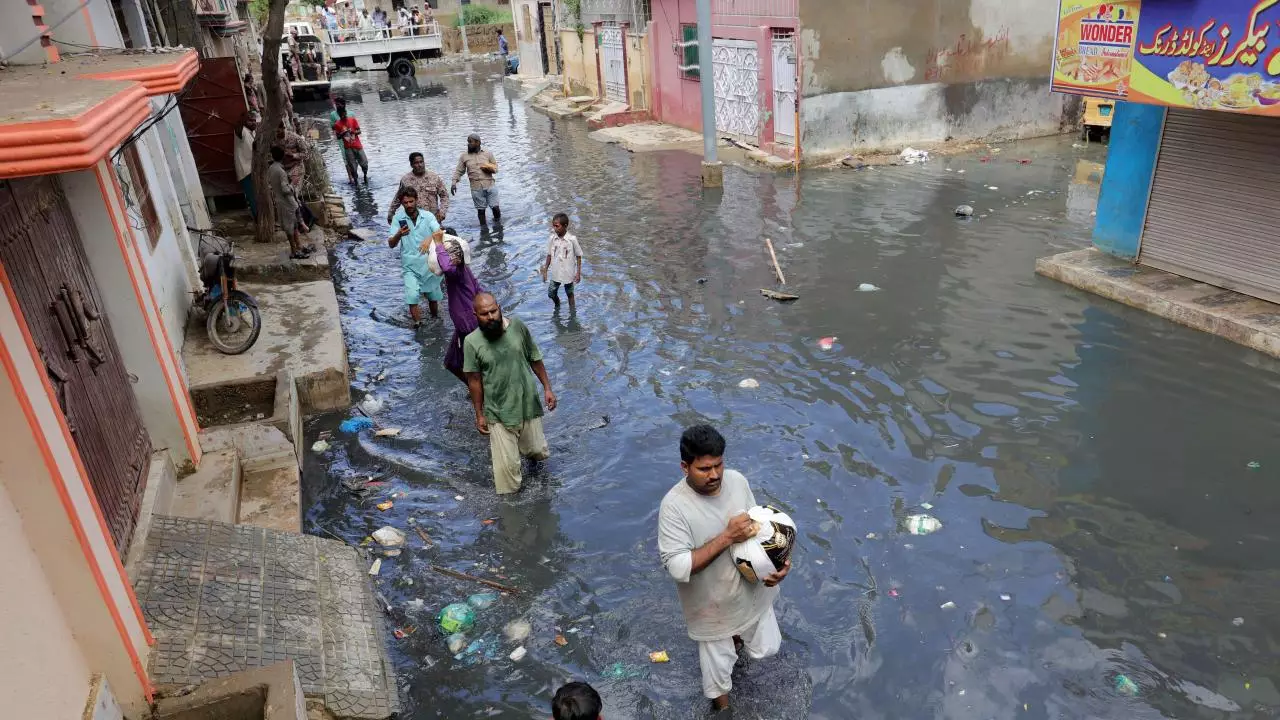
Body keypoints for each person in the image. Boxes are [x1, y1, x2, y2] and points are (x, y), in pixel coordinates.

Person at [657, 425, 790, 711]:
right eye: (704, 469)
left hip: (750, 591)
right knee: (718, 682)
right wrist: (727, 537)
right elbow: (677, 566)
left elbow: (761, 529)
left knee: (766, 652)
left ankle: (738, 640)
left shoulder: (738, 482)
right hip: (711, 607)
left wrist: (780, 564)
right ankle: (723, 712)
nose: (715, 475)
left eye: (718, 465)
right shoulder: (674, 507)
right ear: (684, 467)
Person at [463, 293, 555, 495]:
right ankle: (512, 517)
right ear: (475, 315)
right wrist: (479, 414)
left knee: (538, 451)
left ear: (499, 308)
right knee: (508, 479)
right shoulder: (471, 342)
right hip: (497, 410)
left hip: (527, 401)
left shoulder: (518, 327)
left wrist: (547, 388)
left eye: (493, 311)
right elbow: (474, 381)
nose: (490, 317)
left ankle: (524, 456)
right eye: (484, 314)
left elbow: (535, 357)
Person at [427, 228, 484, 383]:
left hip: (468, 324)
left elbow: (446, 267)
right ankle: (475, 389)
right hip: (464, 325)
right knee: (451, 363)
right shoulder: (464, 270)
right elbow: (479, 289)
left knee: (473, 367)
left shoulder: (456, 271)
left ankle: (480, 392)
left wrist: (438, 244)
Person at [388, 187, 444, 324]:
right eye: (405, 203)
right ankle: (417, 324)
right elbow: (391, 244)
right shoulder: (398, 218)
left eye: (411, 202)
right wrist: (399, 234)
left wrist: (429, 238)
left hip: (429, 264)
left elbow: (440, 232)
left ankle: (435, 319)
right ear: (402, 203)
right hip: (410, 265)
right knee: (412, 296)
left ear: (416, 200)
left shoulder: (428, 216)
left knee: (433, 296)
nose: (409, 205)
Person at [267, 146, 311, 259]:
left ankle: (298, 246)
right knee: (290, 227)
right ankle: (294, 251)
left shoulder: (272, 168)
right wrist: (293, 183)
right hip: (286, 203)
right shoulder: (281, 171)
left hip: (282, 202)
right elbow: (285, 190)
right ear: (283, 158)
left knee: (293, 225)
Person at [451, 134, 502, 231]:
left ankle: (498, 226)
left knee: (495, 207)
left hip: (490, 185)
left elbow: (496, 168)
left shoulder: (488, 154)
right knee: (481, 211)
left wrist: (489, 169)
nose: (468, 144)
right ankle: (484, 230)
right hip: (476, 187)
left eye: (471, 142)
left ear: (478, 143)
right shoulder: (464, 156)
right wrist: (454, 183)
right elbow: (459, 171)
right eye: (468, 142)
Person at [387, 152, 449, 223]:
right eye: (416, 163)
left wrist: (442, 212)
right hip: (414, 220)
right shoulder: (406, 180)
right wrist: (391, 214)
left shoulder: (434, 177)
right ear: (411, 165)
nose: (420, 165)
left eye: (421, 162)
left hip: (433, 218)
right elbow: (398, 198)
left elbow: (444, 196)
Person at [540, 213, 583, 311]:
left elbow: (579, 256)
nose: (555, 228)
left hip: (568, 272)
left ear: (565, 226)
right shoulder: (552, 238)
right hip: (555, 272)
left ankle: (572, 312)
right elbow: (549, 254)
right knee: (551, 293)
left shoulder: (572, 240)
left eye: (557, 226)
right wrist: (545, 269)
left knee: (570, 293)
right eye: (553, 226)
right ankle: (557, 304)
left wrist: (578, 273)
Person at [333, 104, 369, 183]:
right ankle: (355, 180)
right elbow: (338, 137)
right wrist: (343, 133)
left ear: (345, 112)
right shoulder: (337, 124)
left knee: (364, 163)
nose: (343, 115)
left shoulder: (352, 120)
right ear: (339, 114)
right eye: (341, 114)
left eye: (344, 113)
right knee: (352, 167)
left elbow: (359, 131)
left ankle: (365, 176)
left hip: (357, 146)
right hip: (348, 148)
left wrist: (353, 132)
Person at [234, 112, 258, 218]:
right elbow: (238, 128)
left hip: (253, 169)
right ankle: (258, 217)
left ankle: (260, 216)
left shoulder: (252, 132)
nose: (253, 123)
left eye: (254, 120)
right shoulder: (242, 131)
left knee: (256, 196)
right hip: (246, 170)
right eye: (250, 120)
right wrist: (242, 120)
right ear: (244, 122)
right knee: (252, 196)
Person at [274, 123, 308, 191]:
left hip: (296, 167)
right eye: (274, 132)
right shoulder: (274, 139)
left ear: (283, 128)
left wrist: (293, 155)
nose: (276, 134)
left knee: (293, 192)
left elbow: (306, 154)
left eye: (278, 131)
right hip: (282, 168)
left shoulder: (295, 137)